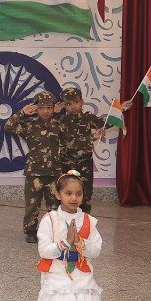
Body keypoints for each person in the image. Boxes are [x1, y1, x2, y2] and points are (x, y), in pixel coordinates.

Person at [36, 172, 103, 301]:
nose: (74, 198)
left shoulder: (89, 220)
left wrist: (81, 243)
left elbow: (96, 251)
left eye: (78, 194)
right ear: (58, 195)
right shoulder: (50, 219)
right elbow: (43, 251)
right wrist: (65, 242)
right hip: (57, 271)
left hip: (81, 273)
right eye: (68, 193)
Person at [3, 91, 64, 244]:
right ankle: (31, 231)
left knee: (54, 205)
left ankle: (55, 231)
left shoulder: (59, 125)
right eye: (41, 108)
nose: (45, 111)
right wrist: (22, 112)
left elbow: (71, 140)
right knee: (32, 204)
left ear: (53, 108)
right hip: (34, 172)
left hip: (53, 172)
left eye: (49, 107)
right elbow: (8, 126)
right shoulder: (30, 126)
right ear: (36, 108)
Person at [57, 85, 112, 213]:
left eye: (76, 102)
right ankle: (67, 221)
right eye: (69, 104)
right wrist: (91, 137)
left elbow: (106, 123)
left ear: (82, 102)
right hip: (66, 163)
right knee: (66, 192)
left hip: (84, 162)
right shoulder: (61, 121)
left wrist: (121, 109)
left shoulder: (88, 118)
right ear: (64, 106)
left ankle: (84, 221)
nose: (73, 106)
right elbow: (70, 143)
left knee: (85, 194)